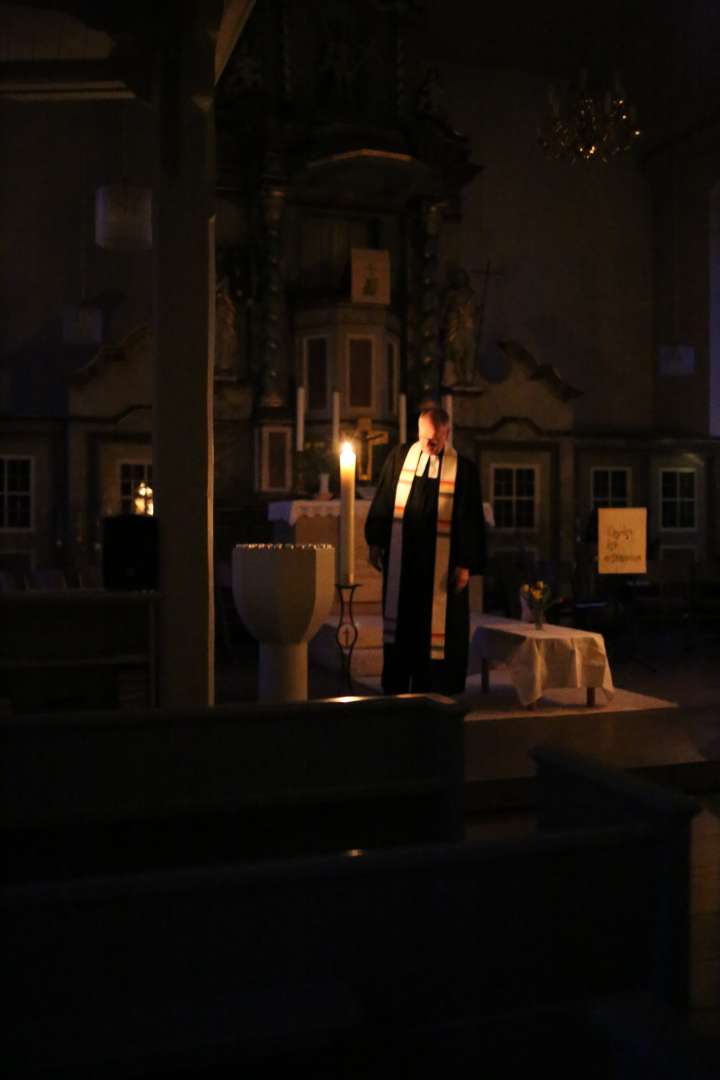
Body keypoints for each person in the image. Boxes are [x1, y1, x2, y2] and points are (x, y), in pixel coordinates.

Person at [365, 406, 486, 694]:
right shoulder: (399, 458)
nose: (427, 445)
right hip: (403, 565)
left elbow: (470, 520)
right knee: (402, 629)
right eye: (422, 438)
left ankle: (437, 687)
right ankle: (396, 684)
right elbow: (383, 501)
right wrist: (375, 542)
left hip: (442, 569)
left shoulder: (464, 470)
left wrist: (466, 564)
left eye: (433, 439)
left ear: (447, 433)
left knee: (440, 631)